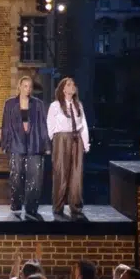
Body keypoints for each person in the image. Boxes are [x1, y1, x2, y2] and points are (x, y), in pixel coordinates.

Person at [0, 76, 48, 220]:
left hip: (34, 143)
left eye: (30, 86)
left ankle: (31, 207)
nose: (28, 89)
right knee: (16, 176)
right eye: (25, 86)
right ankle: (16, 206)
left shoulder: (38, 104)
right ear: (20, 87)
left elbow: (43, 125)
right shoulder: (10, 104)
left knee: (35, 177)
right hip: (16, 142)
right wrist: (5, 143)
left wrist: (46, 145)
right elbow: (5, 125)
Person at [47, 77, 90, 219]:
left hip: (76, 139)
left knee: (76, 173)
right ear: (63, 89)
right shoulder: (55, 105)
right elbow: (50, 124)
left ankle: (76, 206)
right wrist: (55, 139)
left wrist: (86, 143)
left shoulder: (78, 105)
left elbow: (83, 125)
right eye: (69, 84)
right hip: (62, 139)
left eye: (74, 84)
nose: (73, 86)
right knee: (61, 172)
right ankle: (58, 206)